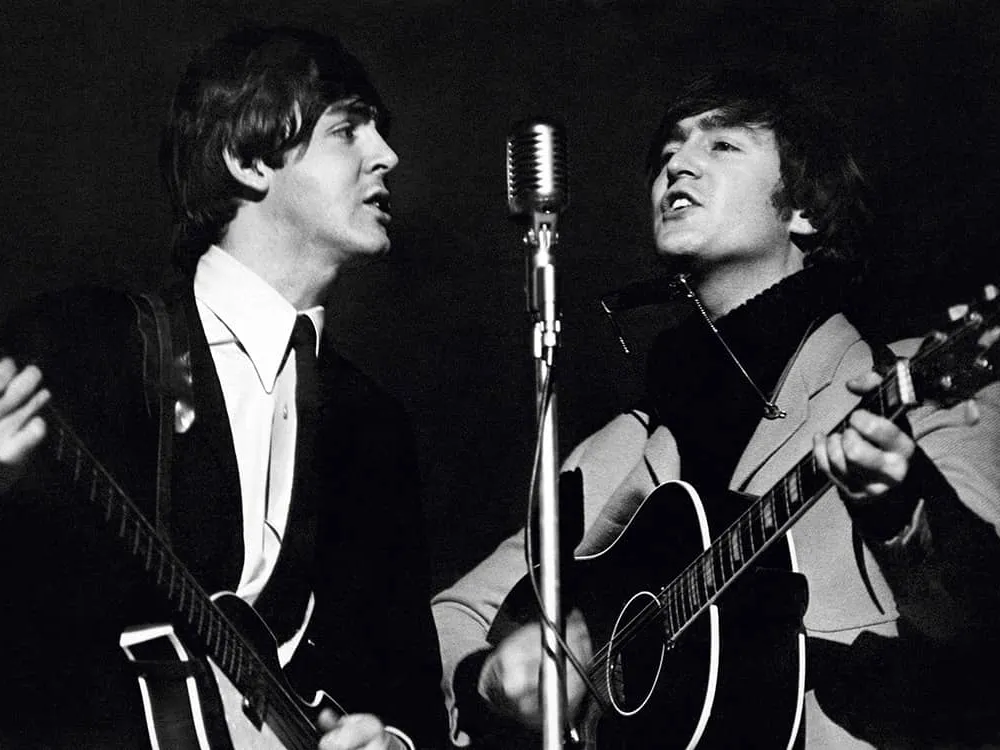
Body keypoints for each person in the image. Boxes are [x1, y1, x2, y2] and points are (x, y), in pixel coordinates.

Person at [432, 68, 1000, 748]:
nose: (678, 163)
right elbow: (451, 615)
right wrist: (490, 678)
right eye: (670, 150)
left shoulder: (897, 385)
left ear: (805, 211)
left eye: (721, 145)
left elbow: (979, 613)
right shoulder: (620, 448)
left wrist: (902, 507)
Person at [0, 25, 446, 750]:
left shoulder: (375, 426)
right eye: (347, 130)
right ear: (246, 159)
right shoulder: (82, 344)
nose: (387, 155)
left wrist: (389, 741)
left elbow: (409, 695)